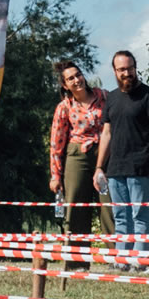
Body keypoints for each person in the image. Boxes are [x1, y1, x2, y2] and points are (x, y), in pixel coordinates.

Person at [97, 50, 149, 269]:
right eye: (122, 69)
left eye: (130, 68)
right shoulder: (111, 98)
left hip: (140, 166)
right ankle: (122, 260)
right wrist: (99, 167)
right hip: (115, 168)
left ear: (135, 67)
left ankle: (141, 260)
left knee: (141, 216)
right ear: (114, 71)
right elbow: (106, 133)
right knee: (120, 216)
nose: (127, 73)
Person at [48, 59, 109, 241]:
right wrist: (55, 175)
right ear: (65, 85)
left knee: (108, 205)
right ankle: (76, 262)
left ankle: (117, 259)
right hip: (77, 155)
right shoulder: (64, 107)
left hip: (104, 153)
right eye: (71, 79)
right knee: (75, 207)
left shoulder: (104, 96)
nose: (77, 80)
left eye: (78, 75)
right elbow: (56, 143)